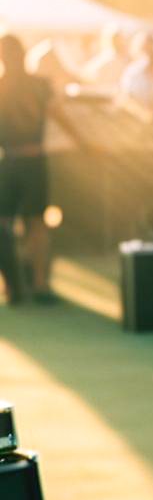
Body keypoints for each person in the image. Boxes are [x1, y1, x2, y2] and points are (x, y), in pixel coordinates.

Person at [0, 33, 94, 304]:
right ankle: (37, 283)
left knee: (9, 224)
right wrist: (85, 144)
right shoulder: (40, 86)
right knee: (35, 223)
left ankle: (15, 285)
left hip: (10, 161)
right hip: (31, 162)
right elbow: (60, 117)